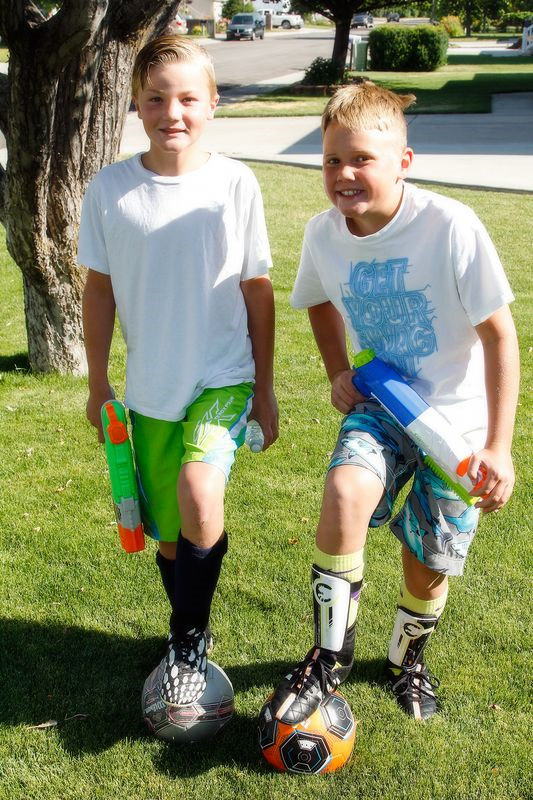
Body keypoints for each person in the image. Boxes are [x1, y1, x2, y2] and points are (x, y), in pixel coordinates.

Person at [268, 80, 519, 723]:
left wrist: (497, 446)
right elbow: (318, 301)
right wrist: (335, 372)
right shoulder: (325, 235)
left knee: (427, 562)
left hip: (457, 427)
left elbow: (499, 335)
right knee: (347, 489)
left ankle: (407, 660)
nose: (344, 174)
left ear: (403, 161)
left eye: (362, 159)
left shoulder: (450, 226)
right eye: (331, 160)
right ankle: (328, 660)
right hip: (384, 402)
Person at [79, 36, 278, 707]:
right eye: (158, 97)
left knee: (199, 493)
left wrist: (267, 388)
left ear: (212, 103)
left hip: (222, 376)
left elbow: (257, 287)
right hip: (150, 390)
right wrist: (97, 381)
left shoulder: (234, 183)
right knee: (170, 538)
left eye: (189, 97)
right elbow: (99, 289)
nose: (174, 110)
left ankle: (185, 637)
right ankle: (189, 626)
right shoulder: (109, 189)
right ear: (136, 103)